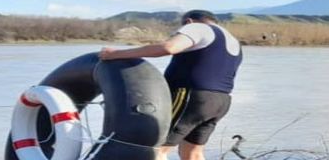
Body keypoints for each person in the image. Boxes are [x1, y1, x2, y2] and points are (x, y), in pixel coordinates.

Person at [99, 10, 243, 160]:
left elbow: (169, 47)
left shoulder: (197, 27)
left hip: (190, 97)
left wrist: (115, 54)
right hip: (220, 101)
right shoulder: (232, 40)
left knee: (156, 148)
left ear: (188, 21)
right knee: (193, 153)